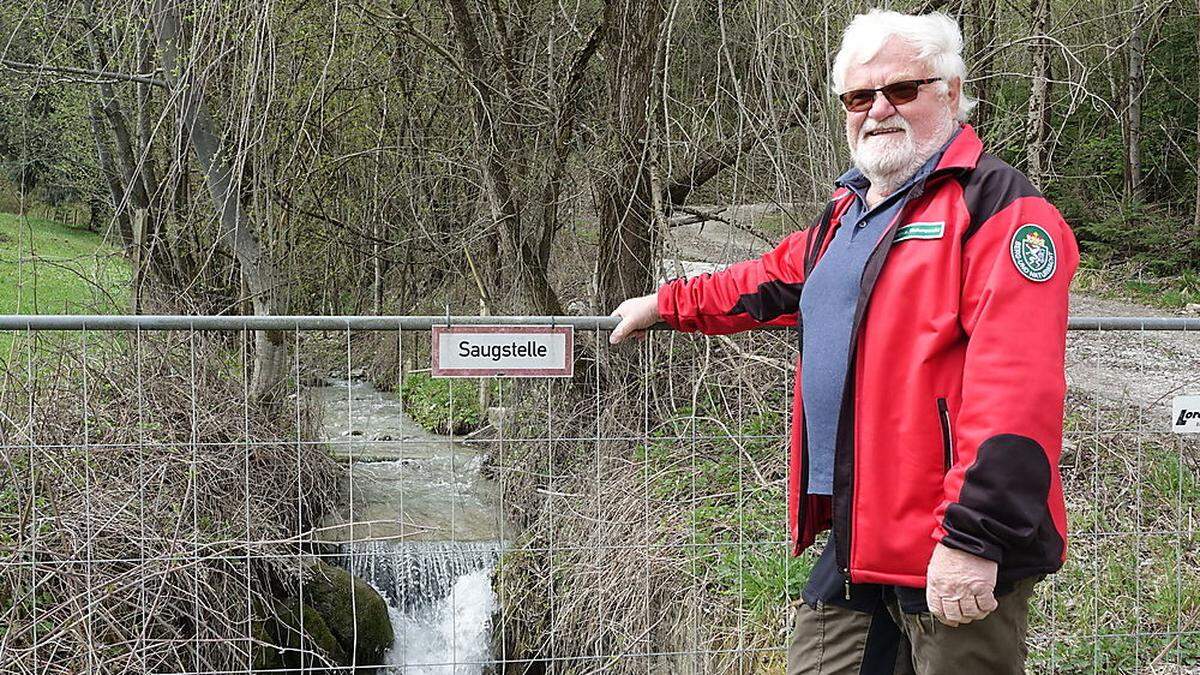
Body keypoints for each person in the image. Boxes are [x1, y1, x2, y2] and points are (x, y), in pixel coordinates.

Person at [608, 9, 1078, 674]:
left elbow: (1017, 391)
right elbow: (770, 281)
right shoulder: (851, 210)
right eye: (859, 97)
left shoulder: (1000, 209)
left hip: (953, 537)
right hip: (859, 533)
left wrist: (975, 538)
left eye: (901, 90)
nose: (878, 110)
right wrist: (666, 303)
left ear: (950, 91)